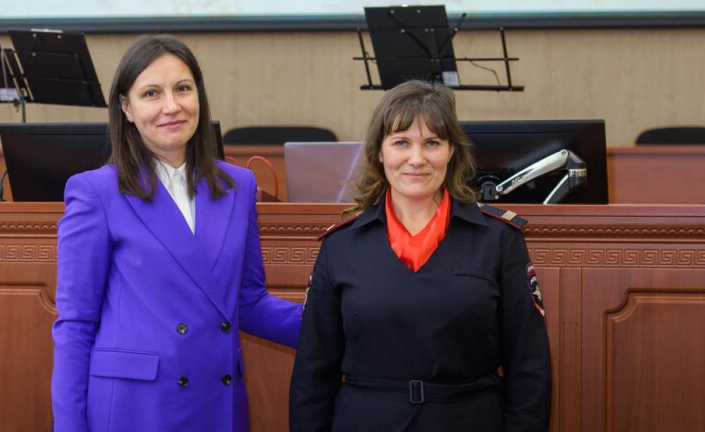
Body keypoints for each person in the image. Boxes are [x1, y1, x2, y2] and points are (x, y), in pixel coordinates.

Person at [51, 34, 301, 431]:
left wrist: (341, 325)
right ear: (126, 108)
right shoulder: (95, 192)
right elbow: (76, 324)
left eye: (182, 89)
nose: (172, 106)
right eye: (151, 93)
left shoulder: (238, 186)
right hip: (136, 409)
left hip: (217, 406)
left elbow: (248, 302)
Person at [290, 80, 552, 431]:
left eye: (432, 143)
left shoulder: (498, 239)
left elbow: (529, 367)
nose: (417, 159)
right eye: (401, 142)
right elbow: (313, 373)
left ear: (451, 151)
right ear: (379, 152)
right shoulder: (340, 246)